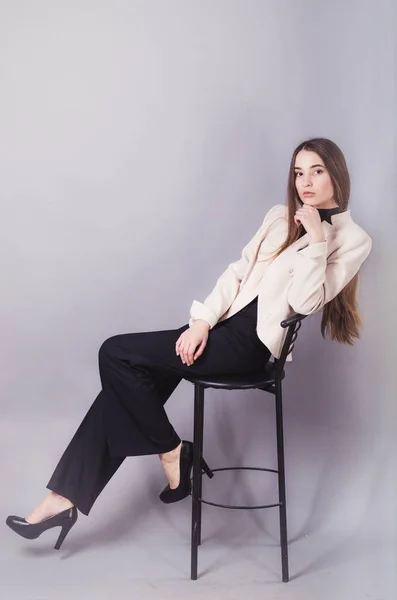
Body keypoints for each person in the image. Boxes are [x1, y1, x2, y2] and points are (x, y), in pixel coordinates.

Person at [5, 137, 372, 551]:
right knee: (122, 386)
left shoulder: (352, 239)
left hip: (253, 347)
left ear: (336, 174)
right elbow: (236, 274)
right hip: (219, 332)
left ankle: (167, 455)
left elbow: (305, 301)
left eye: (317, 171)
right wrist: (200, 322)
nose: (305, 181)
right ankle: (68, 497)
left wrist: (319, 239)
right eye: (298, 172)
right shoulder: (278, 216)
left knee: (116, 353)